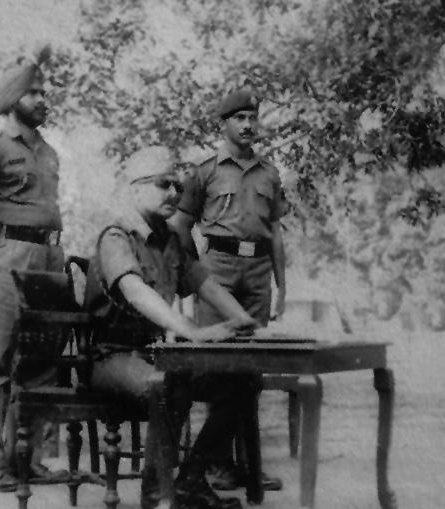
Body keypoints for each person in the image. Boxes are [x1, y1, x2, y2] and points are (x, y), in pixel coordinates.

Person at [84, 146, 259, 509]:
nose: (174, 194)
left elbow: (206, 286)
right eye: (163, 184)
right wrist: (190, 330)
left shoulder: (172, 241)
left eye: (177, 186)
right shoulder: (117, 236)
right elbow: (134, 291)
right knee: (167, 384)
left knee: (242, 380)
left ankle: (191, 481)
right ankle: (157, 494)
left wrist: (246, 322)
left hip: (157, 356)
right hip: (111, 358)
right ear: (134, 189)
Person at [0, 45, 66, 492]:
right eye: (33, 93)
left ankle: (31, 458)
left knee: (42, 361)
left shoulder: (51, 152)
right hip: (6, 258)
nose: (43, 99)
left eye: (44, 92)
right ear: (12, 98)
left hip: (49, 259)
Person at [170, 88, 287, 491]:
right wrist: (194, 273)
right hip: (216, 268)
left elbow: (274, 234)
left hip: (257, 273)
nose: (248, 125)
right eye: (239, 118)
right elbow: (181, 225)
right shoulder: (205, 171)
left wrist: (281, 285)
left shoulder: (269, 173)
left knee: (251, 370)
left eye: (253, 118)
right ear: (224, 124)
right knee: (218, 367)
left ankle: (247, 464)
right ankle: (217, 467)